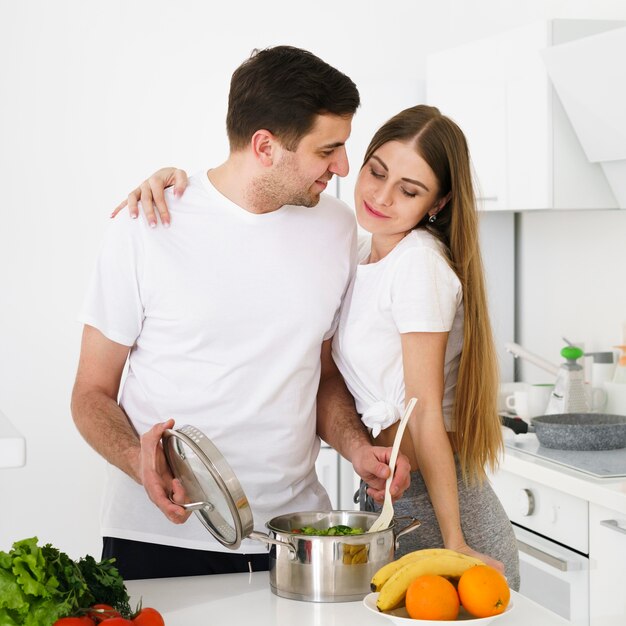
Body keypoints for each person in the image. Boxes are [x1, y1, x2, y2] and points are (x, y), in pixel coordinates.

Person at [124, 105, 521, 590]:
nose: (381, 195)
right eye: (377, 172)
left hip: (441, 506)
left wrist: (456, 540)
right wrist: (182, 186)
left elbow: (424, 415)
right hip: (389, 499)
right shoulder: (356, 250)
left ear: (438, 203)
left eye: (410, 190)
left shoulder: (418, 264)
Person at [72, 45, 411, 581]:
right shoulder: (145, 225)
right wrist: (138, 462)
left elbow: (320, 372)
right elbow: (90, 392)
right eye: (330, 149)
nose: (344, 167)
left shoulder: (337, 228)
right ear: (266, 146)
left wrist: (355, 447)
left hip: (293, 538)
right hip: (160, 533)